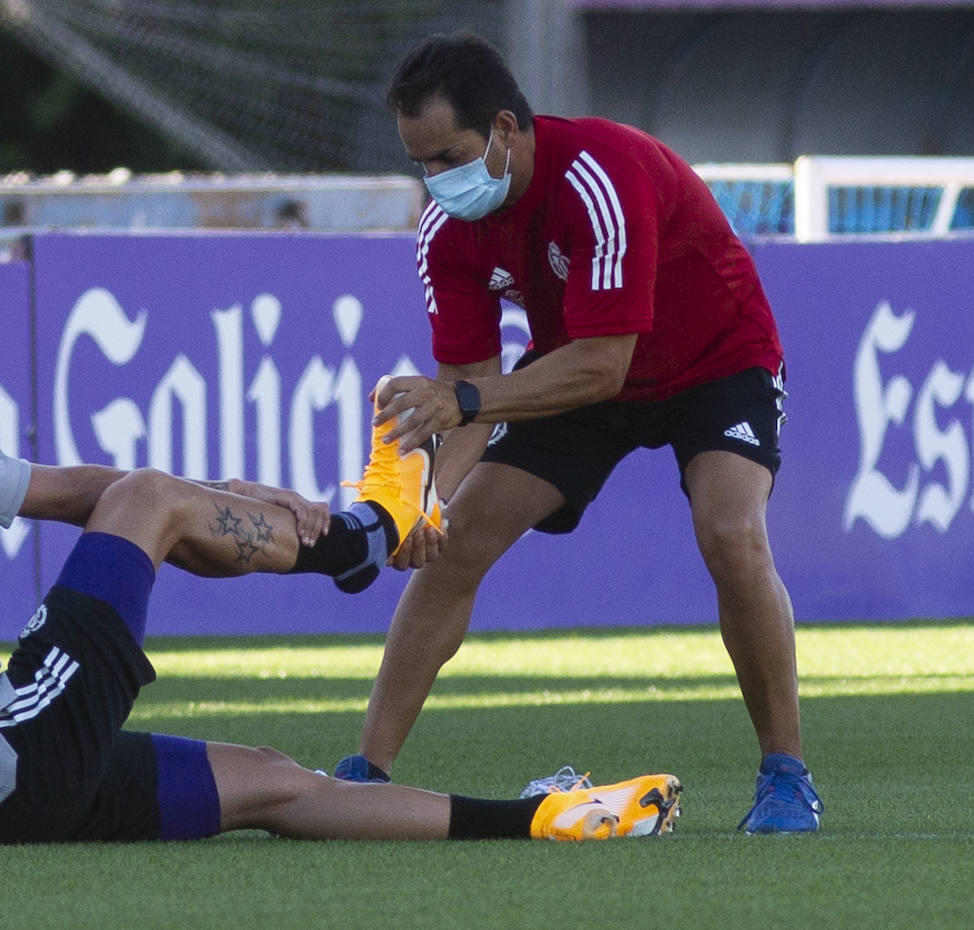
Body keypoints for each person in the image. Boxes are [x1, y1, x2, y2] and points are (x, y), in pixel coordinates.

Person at [0, 290, 682, 845]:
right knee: (151, 496)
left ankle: (547, 820)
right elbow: (96, 496)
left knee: (277, 783)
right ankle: (362, 539)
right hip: (3, 764)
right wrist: (252, 502)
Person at [331, 32, 822, 835]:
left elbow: (594, 366)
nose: (435, 180)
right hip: (578, 369)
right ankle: (361, 777)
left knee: (730, 531)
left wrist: (463, 401)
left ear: (504, 129)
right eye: (419, 163)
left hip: (712, 360)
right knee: (454, 545)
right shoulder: (445, 232)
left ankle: (786, 777)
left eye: (448, 155)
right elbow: (475, 386)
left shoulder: (600, 176)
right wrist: (424, 501)